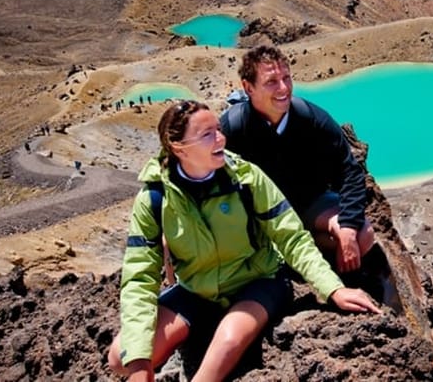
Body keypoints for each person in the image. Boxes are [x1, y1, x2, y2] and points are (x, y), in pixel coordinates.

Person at [108, 100, 380, 382]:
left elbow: (293, 239)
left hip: (257, 282)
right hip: (196, 291)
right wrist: (140, 363)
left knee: (225, 345)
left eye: (218, 129)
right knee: (121, 357)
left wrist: (333, 289)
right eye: (207, 134)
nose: (221, 138)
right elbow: (139, 279)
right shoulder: (154, 198)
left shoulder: (246, 178)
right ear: (179, 148)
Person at [220, 46, 378, 276]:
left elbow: (349, 172)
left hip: (307, 206)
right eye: (272, 81)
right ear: (248, 87)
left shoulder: (312, 119)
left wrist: (348, 228)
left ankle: (300, 252)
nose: (283, 88)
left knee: (363, 236)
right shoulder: (231, 129)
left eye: (286, 78)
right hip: (256, 218)